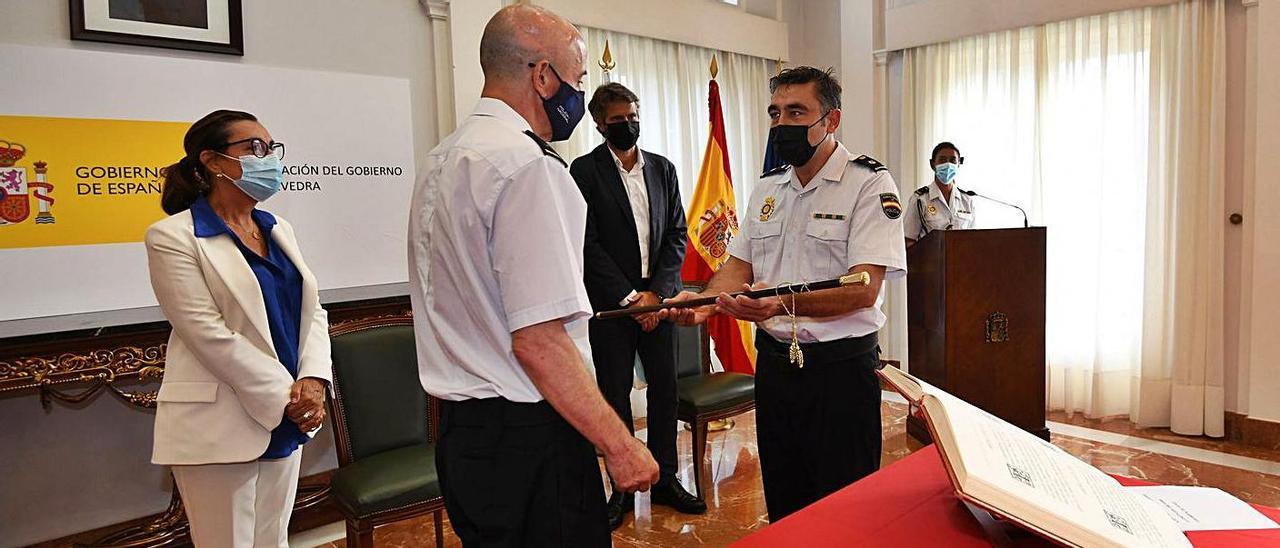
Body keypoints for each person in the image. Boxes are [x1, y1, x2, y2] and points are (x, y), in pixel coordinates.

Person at [407, 5, 659, 545]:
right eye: (578, 79)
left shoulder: (442, 158)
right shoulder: (528, 169)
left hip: (463, 435)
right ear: (543, 75)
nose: (580, 95)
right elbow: (540, 341)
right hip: (530, 437)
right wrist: (620, 443)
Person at [660, 67, 907, 522]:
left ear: (830, 120)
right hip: (775, 367)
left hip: (840, 372)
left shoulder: (868, 184)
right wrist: (700, 307)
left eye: (797, 112)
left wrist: (779, 304)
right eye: (776, 113)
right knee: (786, 500)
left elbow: (863, 290)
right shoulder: (769, 188)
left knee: (844, 507)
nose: (782, 124)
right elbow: (739, 266)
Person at [146, 109, 331, 547]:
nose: (268, 158)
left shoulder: (277, 228)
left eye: (271, 148)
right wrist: (288, 396)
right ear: (212, 161)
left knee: (273, 540)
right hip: (222, 420)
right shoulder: (173, 237)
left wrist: (314, 380)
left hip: (290, 411)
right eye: (253, 148)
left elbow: (312, 310)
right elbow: (206, 333)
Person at [570, 83, 704, 530]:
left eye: (632, 115)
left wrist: (656, 295)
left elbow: (677, 234)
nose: (628, 124)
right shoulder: (583, 171)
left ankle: (665, 476)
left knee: (665, 389)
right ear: (599, 124)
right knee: (615, 395)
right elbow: (586, 245)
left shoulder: (663, 169)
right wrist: (630, 299)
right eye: (617, 120)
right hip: (613, 305)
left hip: (657, 300)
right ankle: (620, 487)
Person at [903, 141, 975, 246]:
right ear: (933, 164)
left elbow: (974, 239)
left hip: (961, 260)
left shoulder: (967, 200)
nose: (948, 164)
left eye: (953, 160)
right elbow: (909, 240)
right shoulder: (920, 199)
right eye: (942, 160)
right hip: (929, 260)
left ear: (959, 164)